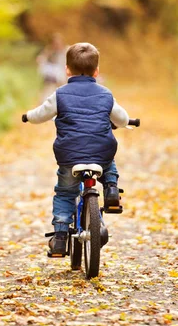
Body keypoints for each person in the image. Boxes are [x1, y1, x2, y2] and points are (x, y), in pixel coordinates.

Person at [22, 42, 129, 256]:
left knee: (64, 193)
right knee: (107, 157)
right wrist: (128, 123)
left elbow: (40, 114)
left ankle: (60, 238)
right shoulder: (106, 95)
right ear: (97, 71)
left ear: (67, 70)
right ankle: (111, 189)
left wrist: (27, 116)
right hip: (101, 153)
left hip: (69, 155)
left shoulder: (59, 94)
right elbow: (122, 118)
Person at [36, 33, 67, 101]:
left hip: (63, 74)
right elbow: (40, 59)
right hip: (52, 76)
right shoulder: (50, 51)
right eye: (55, 43)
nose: (57, 45)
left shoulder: (66, 50)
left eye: (58, 42)